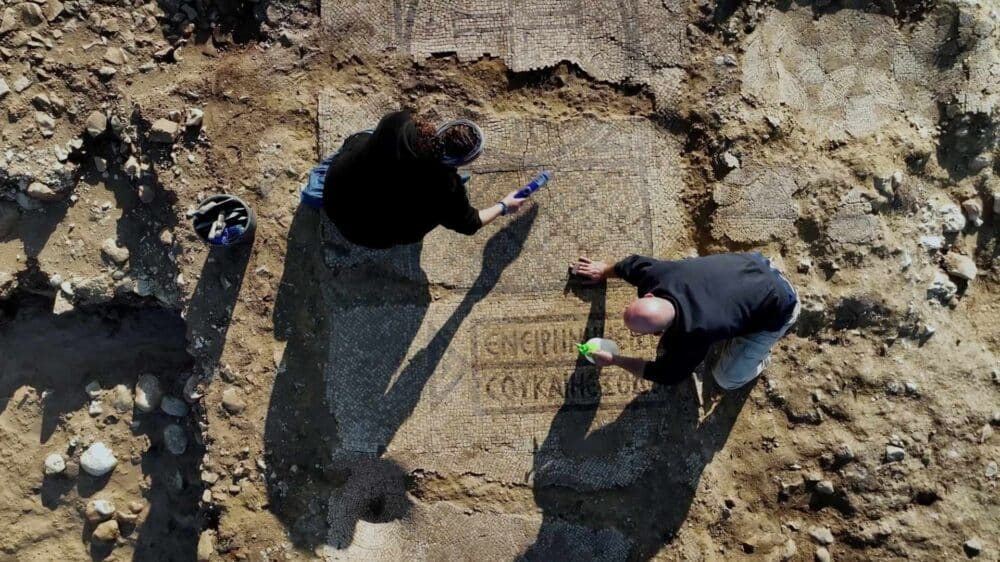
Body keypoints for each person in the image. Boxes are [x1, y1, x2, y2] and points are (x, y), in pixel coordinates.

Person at [300, 110, 529, 249]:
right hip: (367, 235)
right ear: (460, 162)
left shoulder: (398, 124)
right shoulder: (447, 190)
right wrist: (504, 206)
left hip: (335, 196)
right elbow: (471, 223)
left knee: (368, 136)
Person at [570, 252, 800, 390]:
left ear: (659, 333)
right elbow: (629, 265)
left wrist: (615, 360)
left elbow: (667, 375)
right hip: (754, 265)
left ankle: (759, 355)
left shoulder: (692, 335)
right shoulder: (659, 275)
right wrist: (603, 271)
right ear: (649, 295)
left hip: (782, 304)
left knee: (725, 378)